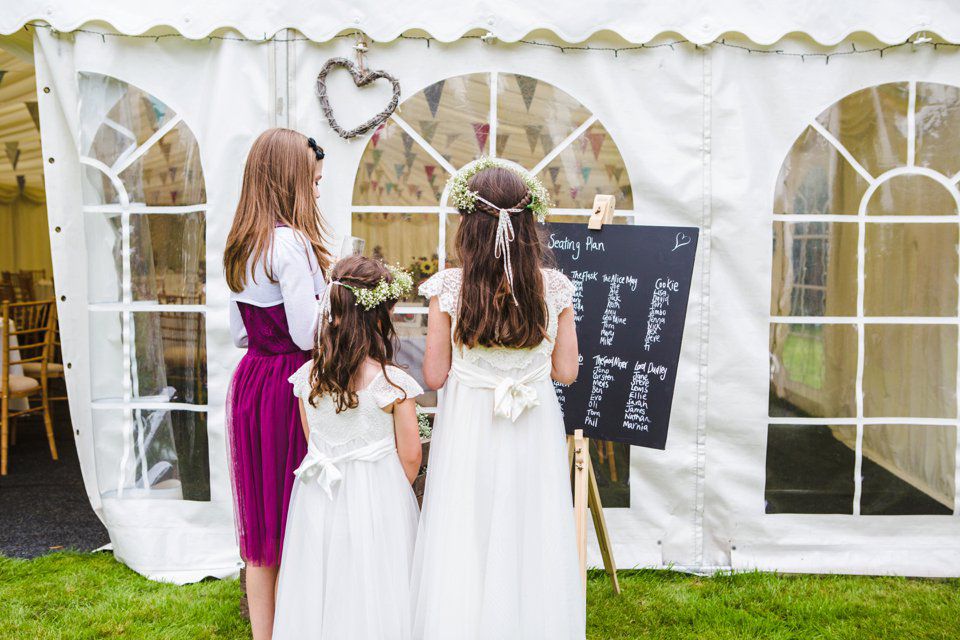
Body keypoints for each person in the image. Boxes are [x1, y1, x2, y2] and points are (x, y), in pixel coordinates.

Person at [411, 160, 585, 639]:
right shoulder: (554, 287)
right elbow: (567, 371)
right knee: (530, 524)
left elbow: (434, 375)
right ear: (529, 225)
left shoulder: (450, 287)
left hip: (471, 426)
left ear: (470, 225)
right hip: (532, 423)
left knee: (467, 526)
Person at [273, 256, 423, 639]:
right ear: (378, 317)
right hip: (379, 498)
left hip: (319, 498)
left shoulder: (307, 379)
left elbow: (313, 441)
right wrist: (384, 489)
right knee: (375, 586)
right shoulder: (392, 383)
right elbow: (411, 457)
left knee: (322, 581)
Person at [223, 128, 331, 640]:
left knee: (262, 526)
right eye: (313, 182)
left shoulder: (241, 242)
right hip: (290, 385)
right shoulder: (291, 242)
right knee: (295, 514)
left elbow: (239, 333)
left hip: (252, 382)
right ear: (290, 180)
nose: (317, 192)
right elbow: (307, 333)